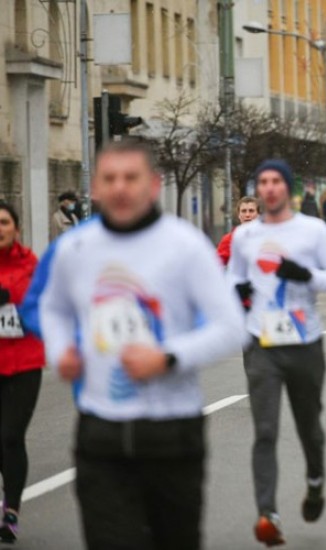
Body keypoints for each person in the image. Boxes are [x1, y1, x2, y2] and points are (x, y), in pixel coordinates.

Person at [37, 140, 246, 550]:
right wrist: (60, 348)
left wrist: (168, 357)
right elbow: (53, 307)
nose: (119, 188)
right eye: (109, 178)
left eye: (130, 178)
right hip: (100, 431)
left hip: (171, 431)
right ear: (94, 187)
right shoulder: (75, 248)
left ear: (151, 185)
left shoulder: (185, 245)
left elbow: (231, 326)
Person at [228, 159, 326, 546]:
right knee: (265, 430)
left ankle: (315, 481)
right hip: (261, 343)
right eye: (262, 181)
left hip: (303, 343)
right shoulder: (245, 236)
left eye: (275, 182)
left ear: (288, 188)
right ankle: (267, 514)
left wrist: (307, 276)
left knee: (309, 428)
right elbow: (232, 276)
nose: (268, 188)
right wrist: (238, 291)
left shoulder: (311, 231)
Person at [0, 202, 44, 543]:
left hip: (24, 364)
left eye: (3, 222)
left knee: (11, 436)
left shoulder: (31, 266)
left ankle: (11, 509)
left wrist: (15, 305)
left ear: (16, 227)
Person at [217, 196, 260, 266]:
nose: (247, 215)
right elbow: (216, 264)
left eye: (251, 211)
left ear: (258, 214)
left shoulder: (267, 237)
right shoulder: (229, 239)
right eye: (243, 211)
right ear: (239, 215)